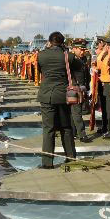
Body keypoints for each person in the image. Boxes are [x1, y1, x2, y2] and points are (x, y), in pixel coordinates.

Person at [36, 31, 77, 169]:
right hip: (63, 95)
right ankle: (71, 158)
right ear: (62, 42)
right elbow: (79, 69)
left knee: (48, 129)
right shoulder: (68, 56)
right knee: (66, 127)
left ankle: (47, 163)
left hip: (46, 95)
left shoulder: (41, 55)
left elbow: (40, 71)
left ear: (49, 42)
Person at [70, 39, 89, 142]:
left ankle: (73, 133)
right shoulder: (71, 60)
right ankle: (82, 134)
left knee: (75, 112)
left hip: (81, 88)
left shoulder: (83, 59)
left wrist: (86, 87)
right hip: (74, 88)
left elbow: (86, 75)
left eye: (84, 50)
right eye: (80, 49)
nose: (83, 52)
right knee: (76, 112)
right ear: (74, 49)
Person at [94, 36, 108, 134]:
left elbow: (102, 68)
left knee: (105, 105)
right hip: (100, 82)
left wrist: (96, 69)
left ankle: (105, 126)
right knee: (102, 106)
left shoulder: (104, 54)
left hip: (103, 82)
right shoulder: (101, 54)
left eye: (98, 43)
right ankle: (104, 125)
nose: (97, 45)